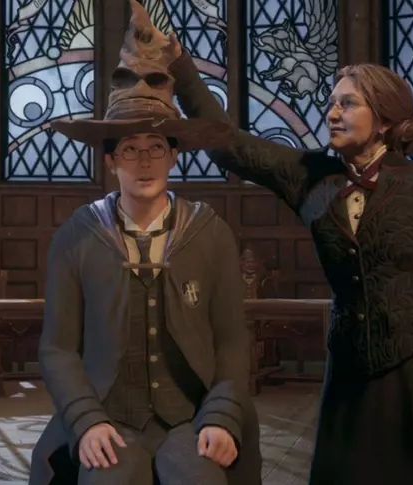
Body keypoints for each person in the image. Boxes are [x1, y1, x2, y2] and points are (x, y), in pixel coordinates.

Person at [157, 29, 413, 484]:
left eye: (348, 104)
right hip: (350, 377)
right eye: (331, 103)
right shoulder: (308, 175)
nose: (332, 113)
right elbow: (226, 144)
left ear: (386, 121)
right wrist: (179, 63)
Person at [28, 2, 262, 484]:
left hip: (190, 417)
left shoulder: (210, 232)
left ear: (174, 156)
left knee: (200, 479)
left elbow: (232, 342)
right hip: (108, 416)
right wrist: (86, 420)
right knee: (107, 479)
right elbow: (58, 349)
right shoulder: (77, 234)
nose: (144, 161)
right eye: (129, 150)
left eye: (156, 148)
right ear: (110, 161)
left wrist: (220, 415)